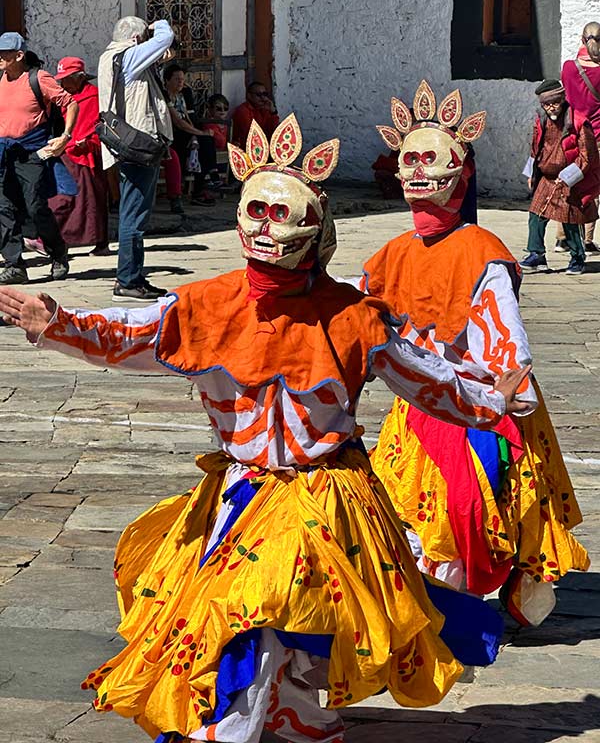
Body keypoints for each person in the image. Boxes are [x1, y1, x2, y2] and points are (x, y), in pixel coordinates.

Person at [0, 112, 530, 743]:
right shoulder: (205, 305)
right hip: (239, 495)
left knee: (272, 618)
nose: (266, 226)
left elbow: (427, 379)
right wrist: (55, 322)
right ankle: (290, 715)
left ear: (316, 226)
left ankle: (269, 720)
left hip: (324, 495)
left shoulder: (353, 315)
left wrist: (491, 400)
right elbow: (130, 331)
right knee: (254, 623)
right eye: (257, 210)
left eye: (285, 215)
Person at [365, 81, 589, 627]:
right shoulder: (391, 254)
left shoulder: (483, 254)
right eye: (409, 159)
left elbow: (506, 341)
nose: (418, 172)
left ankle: (458, 617)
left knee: (467, 513)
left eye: (430, 159)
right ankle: (427, 614)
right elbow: (360, 312)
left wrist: (506, 399)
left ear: (460, 172)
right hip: (416, 409)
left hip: (476, 408)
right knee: (405, 513)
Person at [98, 16, 174, 302]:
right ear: (135, 39)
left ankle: (133, 276)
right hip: (139, 145)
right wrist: (160, 24)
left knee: (134, 211)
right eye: (144, 39)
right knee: (134, 215)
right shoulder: (129, 54)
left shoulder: (112, 57)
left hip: (126, 142)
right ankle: (128, 279)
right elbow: (164, 39)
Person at [0, 32, 76, 285]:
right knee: (4, 209)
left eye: (4, 53)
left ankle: (58, 252)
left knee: (35, 206)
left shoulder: (38, 78)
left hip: (31, 153)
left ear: (19, 55)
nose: (0, 58)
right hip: (4, 155)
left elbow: (70, 103)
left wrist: (65, 136)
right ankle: (15, 264)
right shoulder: (0, 80)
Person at [521, 79, 600, 276]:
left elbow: (587, 156)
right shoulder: (541, 120)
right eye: (546, 104)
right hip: (546, 178)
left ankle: (577, 257)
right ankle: (536, 255)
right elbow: (535, 148)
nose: (550, 108)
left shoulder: (579, 122)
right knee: (536, 216)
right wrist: (531, 173)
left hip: (570, 179)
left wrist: (568, 177)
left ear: (562, 99)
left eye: (554, 103)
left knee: (569, 220)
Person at [47, 56, 109, 256]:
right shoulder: (62, 97)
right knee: (62, 198)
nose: (62, 83)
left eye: (66, 79)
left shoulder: (94, 97)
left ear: (80, 78)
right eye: (61, 79)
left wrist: (89, 142)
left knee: (94, 199)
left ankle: (101, 242)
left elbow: (99, 127)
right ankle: (55, 240)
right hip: (66, 150)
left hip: (88, 153)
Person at [561, 21, 600, 254]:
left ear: (582, 39)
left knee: (568, 182)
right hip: (596, 136)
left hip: (573, 134)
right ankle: (586, 239)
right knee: (592, 186)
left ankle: (562, 238)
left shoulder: (568, 67)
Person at [163, 62, 221, 207]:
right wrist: (198, 132)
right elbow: (178, 122)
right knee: (201, 139)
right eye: (177, 79)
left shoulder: (182, 96)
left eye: (182, 80)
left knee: (205, 141)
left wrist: (196, 134)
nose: (181, 83)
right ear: (167, 80)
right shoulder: (165, 97)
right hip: (172, 134)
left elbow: (187, 119)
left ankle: (202, 187)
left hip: (186, 132)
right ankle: (208, 180)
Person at [231, 81, 279, 147]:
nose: (262, 98)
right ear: (249, 96)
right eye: (258, 95)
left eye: (264, 94)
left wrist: (273, 112)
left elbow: (275, 130)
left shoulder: (265, 108)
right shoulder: (242, 110)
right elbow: (252, 134)